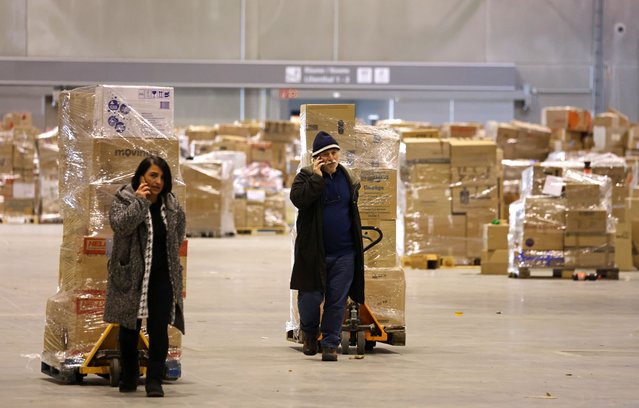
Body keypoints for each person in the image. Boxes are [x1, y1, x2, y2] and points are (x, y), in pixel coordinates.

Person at [103, 155, 186, 397]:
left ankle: (154, 381)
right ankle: (129, 376)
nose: (158, 181)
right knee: (129, 330)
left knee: (159, 329)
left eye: (162, 177)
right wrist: (140, 203)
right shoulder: (124, 198)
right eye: (153, 175)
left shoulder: (171, 204)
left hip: (162, 276)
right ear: (141, 176)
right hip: (132, 276)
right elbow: (121, 226)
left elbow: (178, 235)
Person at [289, 131, 365, 362]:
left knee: (336, 300)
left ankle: (331, 343)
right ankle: (310, 334)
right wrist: (317, 177)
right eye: (325, 155)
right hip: (314, 253)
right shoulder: (305, 177)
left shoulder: (348, 177)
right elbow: (299, 200)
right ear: (317, 158)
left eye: (334, 153)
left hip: (344, 252)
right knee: (310, 298)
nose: (331, 158)